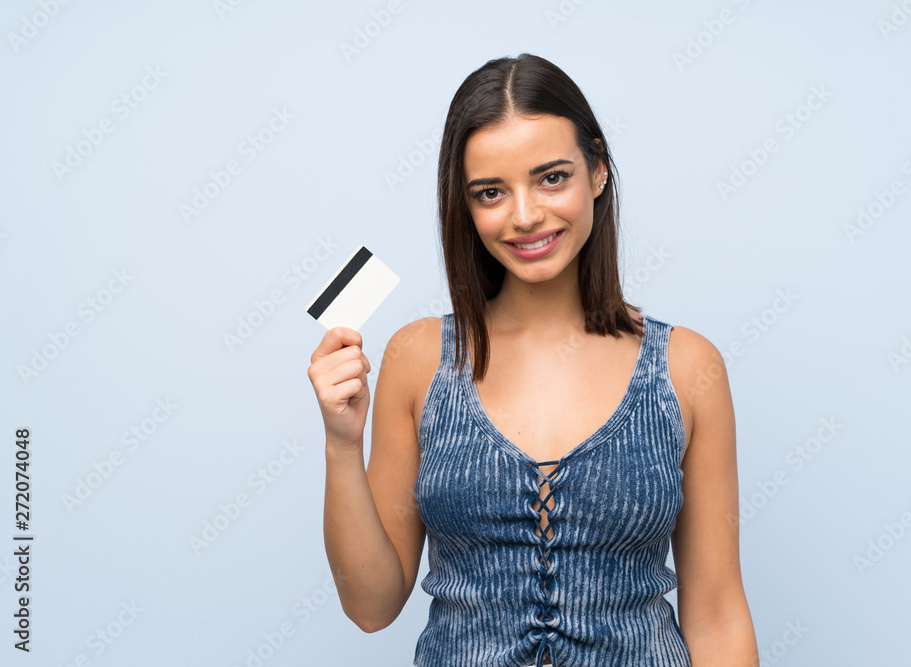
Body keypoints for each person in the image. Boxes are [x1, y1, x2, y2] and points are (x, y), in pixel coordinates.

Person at [308, 53, 758, 666]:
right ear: (465, 205)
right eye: (491, 192)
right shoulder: (418, 359)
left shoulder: (685, 368)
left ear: (597, 171)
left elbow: (717, 615)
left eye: (551, 178)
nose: (524, 216)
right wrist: (341, 444)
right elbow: (372, 606)